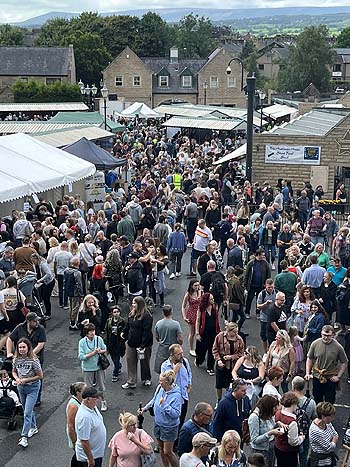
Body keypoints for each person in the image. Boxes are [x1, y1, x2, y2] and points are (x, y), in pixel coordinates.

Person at [142, 370, 182, 467]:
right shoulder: (160, 388)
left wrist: (164, 405)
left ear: (167, 383)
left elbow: (176, 414)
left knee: (168, 451)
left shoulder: (176, 395)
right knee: (161, 448)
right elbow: (154, 399)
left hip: (169, 427)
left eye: (161, 381)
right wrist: (145, 408)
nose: (159, 382)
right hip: (158, 424)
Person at [12, 337, 43, 448]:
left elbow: (40, 376)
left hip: (32, 388)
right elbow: (14, 371)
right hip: (21, 388)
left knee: (26, 413)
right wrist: (16, 378)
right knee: (27, 410)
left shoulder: (34, 360)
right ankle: (34, 427)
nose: (21, 349)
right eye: (20, 347)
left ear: (28, 347)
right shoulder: (16, 359)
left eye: (24, 347)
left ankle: (24, 437)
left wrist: (26, 380)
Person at [305, 325, 347, 404]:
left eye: (328, 336)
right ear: (321, 334)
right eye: (324, 335)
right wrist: (307, 373)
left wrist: (338, 376)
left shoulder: (338, 347)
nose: (326, 338)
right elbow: (309, 358)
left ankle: (328, 415)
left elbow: (344, 362)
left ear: (333, 335)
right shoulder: (315, 343)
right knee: (317, 398)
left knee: (330, 400)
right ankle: (319, 416)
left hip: (330, 377)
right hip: (317, 376)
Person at [122, 296, 153, 389]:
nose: (133, 305)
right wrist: (124, 332)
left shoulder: (147, 316)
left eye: (135, 303)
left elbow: (146, 331)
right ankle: (131, 381)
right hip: (131, 343)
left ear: (140, 304)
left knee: (145, 362)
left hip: (144, 345)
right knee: (130, 361)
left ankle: (146, 378)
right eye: (132, 303)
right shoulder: (132, 314)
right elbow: (128, 325)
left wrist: (142, 345)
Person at [161, 344, 192, 430]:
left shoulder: (185, 361)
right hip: (173, 398)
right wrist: (175, 371)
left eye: (182, 353)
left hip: (184, 396)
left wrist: (189, 384)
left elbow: (189, 373)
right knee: (173, 420)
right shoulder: (165, 366)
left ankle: (177, 439)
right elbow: (165, 382)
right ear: (172, 355)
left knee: (181, 420)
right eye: (179, 354)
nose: (182, 355)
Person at [78, 323, 108, 412]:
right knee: (88, 388)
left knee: (101, 386)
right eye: (90, 331)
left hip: (98, 366)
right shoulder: (82, 342)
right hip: (87, 367)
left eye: (93, 330)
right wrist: (93, 353)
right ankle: (91, 404)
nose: (92, 333)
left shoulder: (99, 339)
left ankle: (103, 401)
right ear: (86, 333)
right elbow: (81, 356)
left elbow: (105, 349)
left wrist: (100, 351)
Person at [212, 322, 245, 404]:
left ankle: (227, 400)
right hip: (222, 362)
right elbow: (215, 349)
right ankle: (219, 400)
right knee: (219, 384)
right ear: (228, 331)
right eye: (234, 332)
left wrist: (231, 357)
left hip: (233, 365)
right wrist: (218, 360)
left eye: (237, 331)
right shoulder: (220, 337)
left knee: (230, 384)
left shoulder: (239, 339)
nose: (236, 334)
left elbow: (241, 353)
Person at [75, 386, 107, 467]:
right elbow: (84, 441)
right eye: (95, 397)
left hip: (96, 454)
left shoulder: (93, 407)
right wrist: (90, 459)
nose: (98, 399)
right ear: (88, 399)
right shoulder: (84, 417)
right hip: (89, 458)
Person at [248, 395, 282, 467]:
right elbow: (254, 440)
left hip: (270, 449)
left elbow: (271, 427)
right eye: (275, 407)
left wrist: (278, 424)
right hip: (260, 452)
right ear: (268, 407)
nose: (276, 409)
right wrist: (270, 433)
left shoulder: (268, 415)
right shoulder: (254, 418)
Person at [291, 376, 317, 467]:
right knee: (303, 457)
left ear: (293, 386)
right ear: (304, 387)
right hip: (305, 433)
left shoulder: (289, 400)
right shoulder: (311, 403)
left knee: (291, 456)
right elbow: (314, 418)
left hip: (291, 434)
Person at [274, 392, 305, 467]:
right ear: (293, 404)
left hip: (278, 446)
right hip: (288, 452)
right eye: (296, 405)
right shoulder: (292, 422)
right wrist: (301, 438)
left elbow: (280, 430)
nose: (297, 407)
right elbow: (293, 442)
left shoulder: (278, 413)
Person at [195, 293, 220, 375]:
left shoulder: (214, 307)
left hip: (213, 332)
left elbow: (217, 320)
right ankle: (199, 360)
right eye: (211, 299)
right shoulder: (201, 308)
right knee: (201, 350)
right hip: (204, 332)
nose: (213, 300)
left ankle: (210, 367)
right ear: (207, 300)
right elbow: (198, 321)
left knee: (212, 349)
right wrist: (197, 333)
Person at [308, 402, 338, 467]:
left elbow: (336, 434)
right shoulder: (315, 430)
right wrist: (333, 440)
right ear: (323, 416)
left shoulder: (327, 423)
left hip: (328, 460)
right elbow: (329, 448)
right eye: (331, 417)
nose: (333, 419)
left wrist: (332, 441)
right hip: (319, 463)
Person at [244, 248, 271, 319]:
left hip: (261, 285)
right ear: (258, 255)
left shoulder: (265, 263)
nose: (263, 256)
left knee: (259, 300)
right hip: (252, 285)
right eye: (262, 255)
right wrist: (245, 285)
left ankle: (258, 313)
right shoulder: (251, 263)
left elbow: (268, 274)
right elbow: (246, 275)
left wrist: (266, 283)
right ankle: (247, 312)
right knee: (249, 299)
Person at [154, 306, 183, 374]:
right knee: (175, 366)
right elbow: (180, 338)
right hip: (174, 348)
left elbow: (157, 338)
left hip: (163, 349)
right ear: (171, 312)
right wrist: (179, 344)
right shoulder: (176, 324)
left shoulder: (158, 324)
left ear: (163, 313)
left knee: (162, 368)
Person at [66, 381, 87, 467]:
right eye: (84, 390)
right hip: (76, 435)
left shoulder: (81, 401)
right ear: (78, 393)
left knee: (79, 456)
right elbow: (71, 426)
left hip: (80, 433)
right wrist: (74, 442)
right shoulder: (73, 406)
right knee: (80, 456)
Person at [104, 305, 126, 382]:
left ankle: (115, 374)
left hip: (119, 343)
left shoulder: (122, 321)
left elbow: (125, 331)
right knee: (114, 358)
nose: (116, 313)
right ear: (112, 313)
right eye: (114, 312)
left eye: (117, 312)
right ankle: (119, 366)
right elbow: (106, 331)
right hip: (111, 342)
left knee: (116, 359)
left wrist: (121, 335)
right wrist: (105, 342)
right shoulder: (109, 321)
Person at [181, 279, 202, 356]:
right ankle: (191, 348)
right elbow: (183, 306)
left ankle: (199, 348)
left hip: (200, 313)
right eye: (195, 285)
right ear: (191, 286)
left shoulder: (201, 292)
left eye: (198, 285)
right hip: (192, 314)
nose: (197, 287)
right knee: (192, 332)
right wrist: (184, 317)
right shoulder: (188, 294)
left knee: (200, 331)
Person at [256, 279, 277, 354]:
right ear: (265, 286)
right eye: (269, 287)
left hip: (274, 319)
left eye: (272, 287)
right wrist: (265, 304)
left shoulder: (277, 293)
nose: (271, 289)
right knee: (264, 336)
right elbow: (258, 307)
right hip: (264, 318)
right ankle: (265, 352)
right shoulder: (262, 294)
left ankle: (273, 352)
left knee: (274, 336)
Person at [64, 257, 84, 330]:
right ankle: (73, 323)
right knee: (75, 308)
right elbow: (79, 284)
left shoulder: (66, 270)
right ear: (78, 263)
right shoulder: (77, 273)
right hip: (75, 293)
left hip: (69, 291)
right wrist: (81, 294)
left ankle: (71, 322)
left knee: (71, 307)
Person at [54, 241, 72, 309]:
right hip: (67, 272)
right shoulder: (69, 255)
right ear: (67, 247)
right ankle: (65, 304)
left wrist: (55, 273)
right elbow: (70, 265)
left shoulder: (57, 254)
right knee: (66, 288)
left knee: (60, 288)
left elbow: (55, 264)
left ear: (61, 246)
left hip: (59, 272)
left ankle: (60, 303)